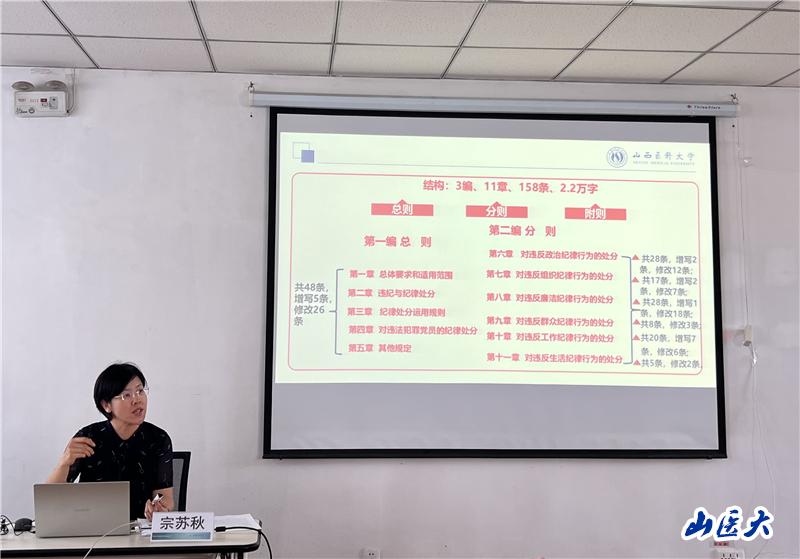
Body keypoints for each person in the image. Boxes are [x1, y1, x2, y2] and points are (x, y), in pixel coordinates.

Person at [46, 363, 174, 521]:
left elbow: (165, 497)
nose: (137, 400)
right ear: (106, 405)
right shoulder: (88, 438)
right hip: (93, 528)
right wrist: (64, 463)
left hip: (140, 529)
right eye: (126, 395)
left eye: (140, 391)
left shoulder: (158, 438)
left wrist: (158, 507)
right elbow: (49, 500)